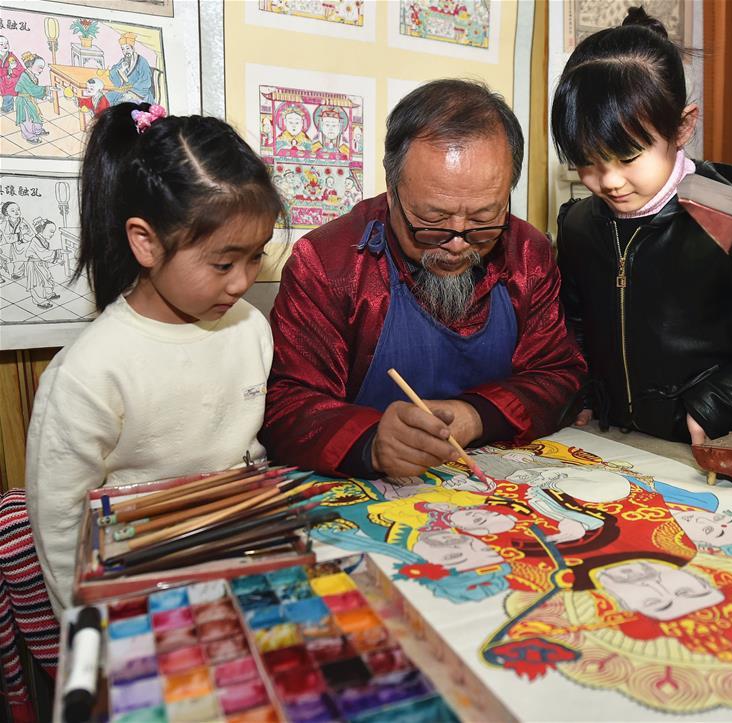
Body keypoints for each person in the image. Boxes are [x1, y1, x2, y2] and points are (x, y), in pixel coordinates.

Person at [25, 103, 283, 615]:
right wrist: (89, 625)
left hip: (243, 564)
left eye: (256, 255)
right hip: (140, 592)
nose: (242, 281)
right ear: (145, 242)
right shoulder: (89, 372)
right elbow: (60, 526)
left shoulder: (250, 328)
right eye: (223, 263)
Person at [551, 7, 732, 445]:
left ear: (682, 127)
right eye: (587, 162)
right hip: (617, 444)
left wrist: (716, 403)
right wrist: (580, 391)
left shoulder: (727, 216)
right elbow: (574, 325)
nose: (609, 181)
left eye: (628, 157)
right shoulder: (579, 224)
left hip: (714, 446)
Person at [263, 79, 586, 479]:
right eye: (432, 220)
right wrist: (370, 443)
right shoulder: (331, 263)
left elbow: (559, 374)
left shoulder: (526, 254)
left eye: (484, 219)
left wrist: (474, 416)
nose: (457, 244)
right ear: (392, 189)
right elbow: (287, 403)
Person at [14, 52, 55, 145]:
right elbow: (33, 89)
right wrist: (47, 91)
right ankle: (30, 137)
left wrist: (47, 92)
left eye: (42, 68)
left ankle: (37, 131)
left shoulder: (32, 76)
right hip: (23, 101)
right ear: (30, 65)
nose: (41, 70)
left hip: (30, 99)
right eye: (39, 67)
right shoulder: (24, 76)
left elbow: (34, 90)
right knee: (27, 120)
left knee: (36, 115)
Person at [106, 32, 155, 105]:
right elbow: (113, 73)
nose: (125, 52)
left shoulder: (142, 61)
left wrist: (131, 93)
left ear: (133, 48)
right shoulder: (123, 60)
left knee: (121, 103)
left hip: (139, 93)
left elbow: (145, 81)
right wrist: (120, 70)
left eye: (127, 48)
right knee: (107, 97)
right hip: (125, 90)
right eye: (123, 49)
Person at [24, 217, 61, 308]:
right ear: (41, 230)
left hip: (41, 264)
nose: (52, 234)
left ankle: (48, 294)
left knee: (47, 279)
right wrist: (59, 252)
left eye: (53, 232)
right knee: (37, 283)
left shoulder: (45, 241)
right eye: (51, 231)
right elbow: (43, 254)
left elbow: (46, 256)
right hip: (33, 265)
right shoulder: (35, 240)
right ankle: (40, 301)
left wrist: (57, 259)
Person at [0, 35, 24, 114]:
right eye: (1, 44)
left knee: (9, 90)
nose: (5, 45)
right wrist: (7, 70)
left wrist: (14, 68)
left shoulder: (11, 56)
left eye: (6, 43)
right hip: (2, 79)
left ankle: (8, 108)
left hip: (10, 80)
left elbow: (20, 68)